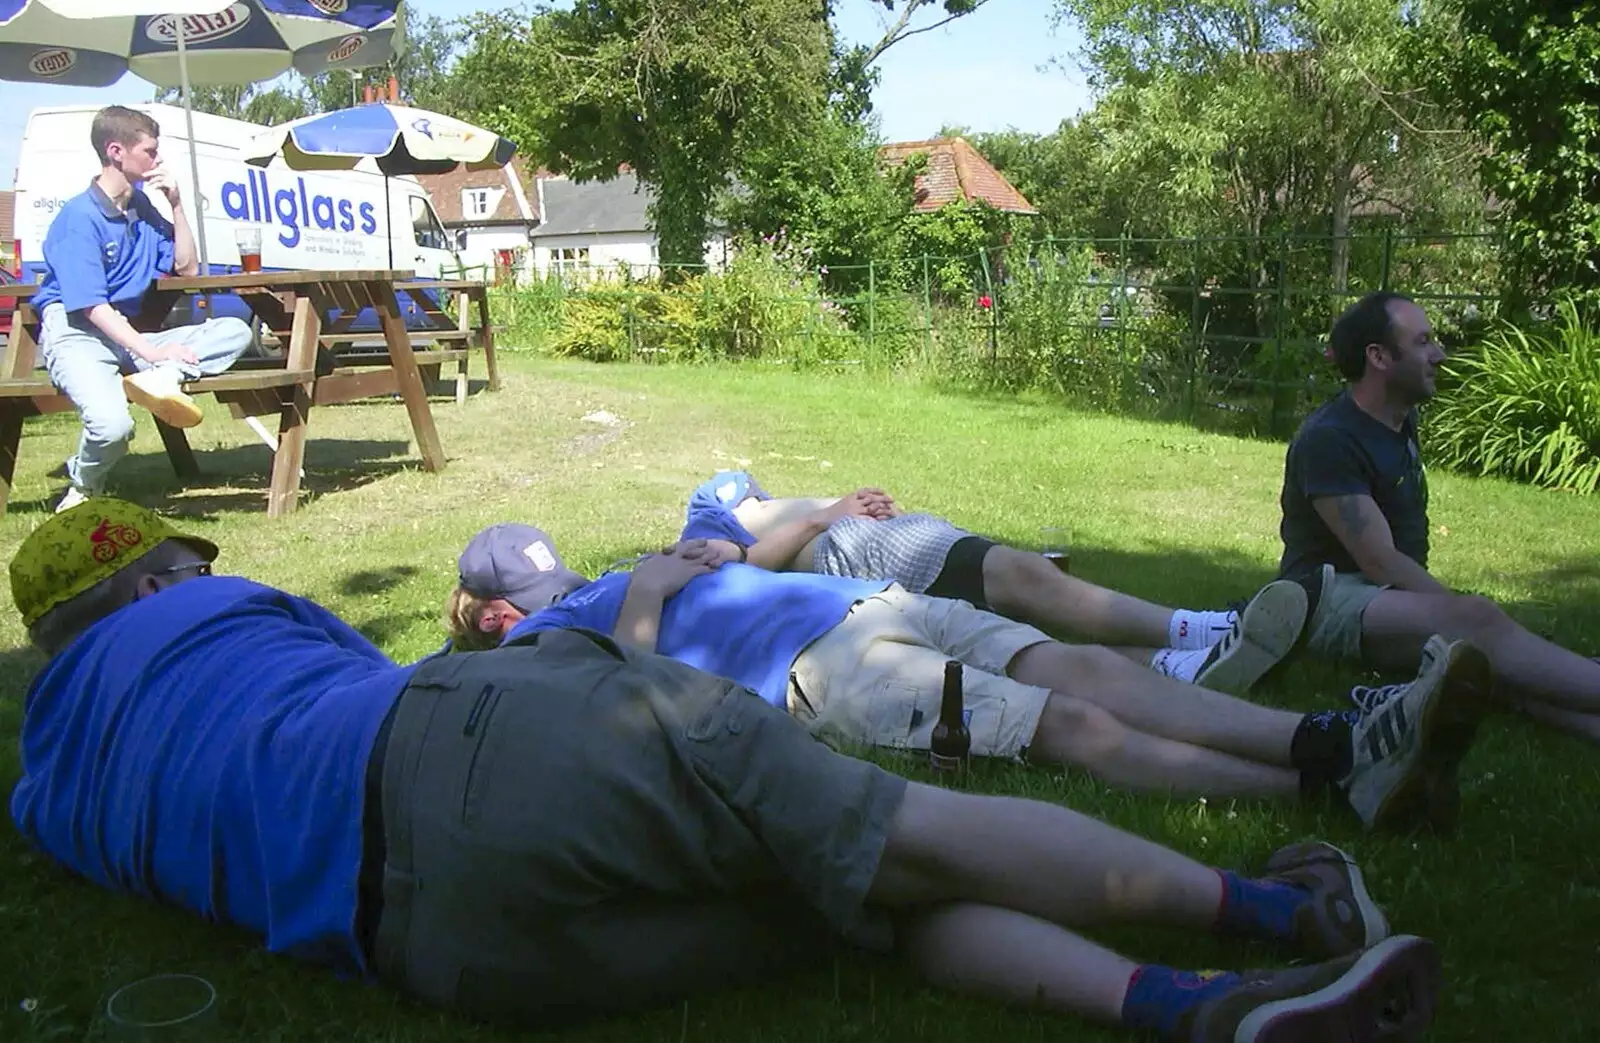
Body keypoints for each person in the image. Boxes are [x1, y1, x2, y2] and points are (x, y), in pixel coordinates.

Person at [8, 498, 1443, 1042]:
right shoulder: (208, 610)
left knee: (854, 907)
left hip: (435, 949)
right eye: (187, 555)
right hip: (472, 744)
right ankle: (1278, 920)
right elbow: (370, 686)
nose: (209, 567)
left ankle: (1204, 1015)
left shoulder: (41, 778)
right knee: (909, 836)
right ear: (146, 581)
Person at [446, 522, 1492, 832]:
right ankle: (1334, 777)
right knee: (1063, 723)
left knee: (1080, 663)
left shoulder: (605, 578)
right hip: (821, 671)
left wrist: (715, 558)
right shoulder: (542, 648)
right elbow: (631, 686)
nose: (545, 590)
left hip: (859, 606)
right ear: (494, 614)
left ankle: (1335, 737)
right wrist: (645, 594)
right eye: (523, 591)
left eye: (546, 577)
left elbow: (737, 573)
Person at [678, 469, 1324, 696]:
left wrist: (853, 502)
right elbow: (745, 566)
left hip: (874, 539)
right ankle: (1208, 629)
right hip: (852, 552)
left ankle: (1180, 665)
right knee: (1018, 576)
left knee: (1021, 634)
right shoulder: (706, 514)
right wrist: (828, 512)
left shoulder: (738, 492)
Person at [1279, 291, 1600, 742]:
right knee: (1476, 624)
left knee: (1488, 670)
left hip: (1378, 596)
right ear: (1379, 357)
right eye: (1424, 342)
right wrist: (1453, 609)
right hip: (1325, 600)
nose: (1439, 354)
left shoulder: (1399, 419)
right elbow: (1380, 562)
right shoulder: (1330, 439)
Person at [32, 105, 253, 514]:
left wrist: (177, 205)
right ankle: (83, 487)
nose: (158, 159)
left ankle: (160, 379)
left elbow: (186, 267)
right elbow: (92, 307)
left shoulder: (142, 209)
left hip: (130, 334)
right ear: (116, 151)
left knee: (236, 331)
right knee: (114, 428)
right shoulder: (79, 217)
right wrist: (153, 354)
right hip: (79, 334)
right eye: (150, 151)